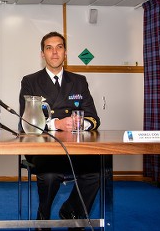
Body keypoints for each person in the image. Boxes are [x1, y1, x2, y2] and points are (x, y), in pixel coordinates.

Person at [19, 32, 100, 231]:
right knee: (50, 175)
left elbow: (94, 118)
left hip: (75, 146)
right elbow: (26, 122)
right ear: (42, 54)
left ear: (65, 52)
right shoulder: (30, 81)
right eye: (49, 48)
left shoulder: (79, 81)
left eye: (59, 47)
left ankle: (72, 210)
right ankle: (43, 215)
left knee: (96, 172)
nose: (54, 52)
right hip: (43, 147)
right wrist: (57, 123)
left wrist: (79, 123)